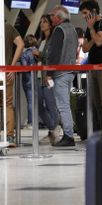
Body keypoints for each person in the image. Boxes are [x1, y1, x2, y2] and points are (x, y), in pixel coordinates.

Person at [46, 6, 79, 147]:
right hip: (70, 72)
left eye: (52, 15)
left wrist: (48, 73)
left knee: (63, 106)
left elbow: (54, 53)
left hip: (60, 73)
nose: (50, 17)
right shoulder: (72, 29)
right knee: (66, 105)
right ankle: (69, 133)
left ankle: (68, 136)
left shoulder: (59, 30)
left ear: (58, 17)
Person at [80, 0, 102, 131]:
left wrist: (91, 29)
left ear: (93, 12)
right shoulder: (90, 27)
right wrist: (92, 31)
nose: (83, 16)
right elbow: (85, 48)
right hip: (92, 67)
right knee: (97, 103)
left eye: (85, 13)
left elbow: (99, 41)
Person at [33, 15, 62, 144]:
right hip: (39, 77)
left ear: (50, 24)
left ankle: (55, 131)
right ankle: (53, 127)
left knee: (51, 104)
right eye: (41, 22)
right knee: (38, 105)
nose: (42, 24)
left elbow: (51, 56)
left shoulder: (52, 40)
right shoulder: (40, 40)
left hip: (48, 76)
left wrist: (40, 54)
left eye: (44, 22)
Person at [2, 23, 25, 147]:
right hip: (6, 71)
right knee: (7, 104)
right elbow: (21, 44)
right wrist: (12, 66)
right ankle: (9, 137)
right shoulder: (8, 27)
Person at [20, 34, 38, 128]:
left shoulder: (24, 54)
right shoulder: (37, 52)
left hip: (27, 80)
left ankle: (31, 122)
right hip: (36, 78)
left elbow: (25, 68)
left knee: (30, 102)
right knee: (37, 101)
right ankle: (38, 120)